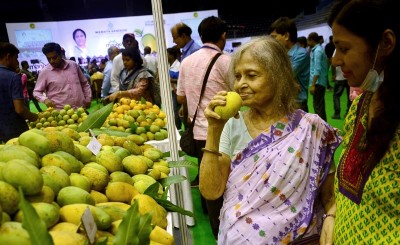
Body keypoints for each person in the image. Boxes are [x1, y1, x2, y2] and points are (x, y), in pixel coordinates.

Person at [199, 36, 341, 244]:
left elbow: (330, 195)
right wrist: (213, 130)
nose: (241, 84)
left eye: (251, 75)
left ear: (278, 76)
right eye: (237, 76)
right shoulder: (232, 124)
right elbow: (211, 191)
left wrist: (331, 216)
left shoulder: (310, 128)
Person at [321, 0, 400, 244]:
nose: (335, 60)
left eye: (344, 49)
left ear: (386, 43)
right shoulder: (360, 106)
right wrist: (333, 213)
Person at [176, 15, 231, 239]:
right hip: (223, 130)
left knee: (204, 170)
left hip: (198, 128)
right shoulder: (227, 61)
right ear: (223, 36)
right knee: (222, 179)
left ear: (200, 36)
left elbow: (180, 98)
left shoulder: (186, 62)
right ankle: (221, 230)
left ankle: (210, 216)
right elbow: (238, 94)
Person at [33, 42, 92, 110]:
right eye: (48, 59)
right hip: (61, 114)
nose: (52, 61)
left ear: (61, 54)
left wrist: (88, 98)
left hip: (81, 109)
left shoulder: (73, 65)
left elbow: (84, 83)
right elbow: (36, 92)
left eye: (54, 57)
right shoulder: (44, 72)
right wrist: (45, 99)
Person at [269, 16, 310, 112]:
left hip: (297, 102)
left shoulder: (301, 53)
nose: (272, 41)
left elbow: (283, 75)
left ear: (286, 36)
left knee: (299, 127)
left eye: (274, 37)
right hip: (283, 100)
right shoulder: (280, 53)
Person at [0, 42, 38, 143]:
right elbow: (20, 109)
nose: (17, 62)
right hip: (14, 130)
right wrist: (34, 117)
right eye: (16, 58)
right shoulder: (13, 77)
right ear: (8, 56)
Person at [171, 22, 202, 129]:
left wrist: (190, 106)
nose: (173, 41)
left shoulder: (195, 51)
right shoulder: (186, 51)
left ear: (183, 36)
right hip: (188, 102)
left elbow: (196, 82)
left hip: (194, 104)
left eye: (175, 38)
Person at [308, 32, 329, 121]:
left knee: (318, 106)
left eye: (308, 41)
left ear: (312, 40)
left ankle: (322, 128)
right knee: (319, 105)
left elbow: (317, 69)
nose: (308, 43)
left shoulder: (317, 51)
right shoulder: (318, 49)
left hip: (318, 82)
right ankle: (323, 127)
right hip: (320, 81)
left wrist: (313, 84)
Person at [167, 46, 182, 130]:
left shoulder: (178, 66)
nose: (166, 56)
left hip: (177, 91)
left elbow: (181, 80)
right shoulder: (170, 65)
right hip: (172, 91)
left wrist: (171, 80)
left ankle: (178, 128)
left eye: (167, 54)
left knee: (176, 110)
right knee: (174, 110)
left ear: (172, 56)